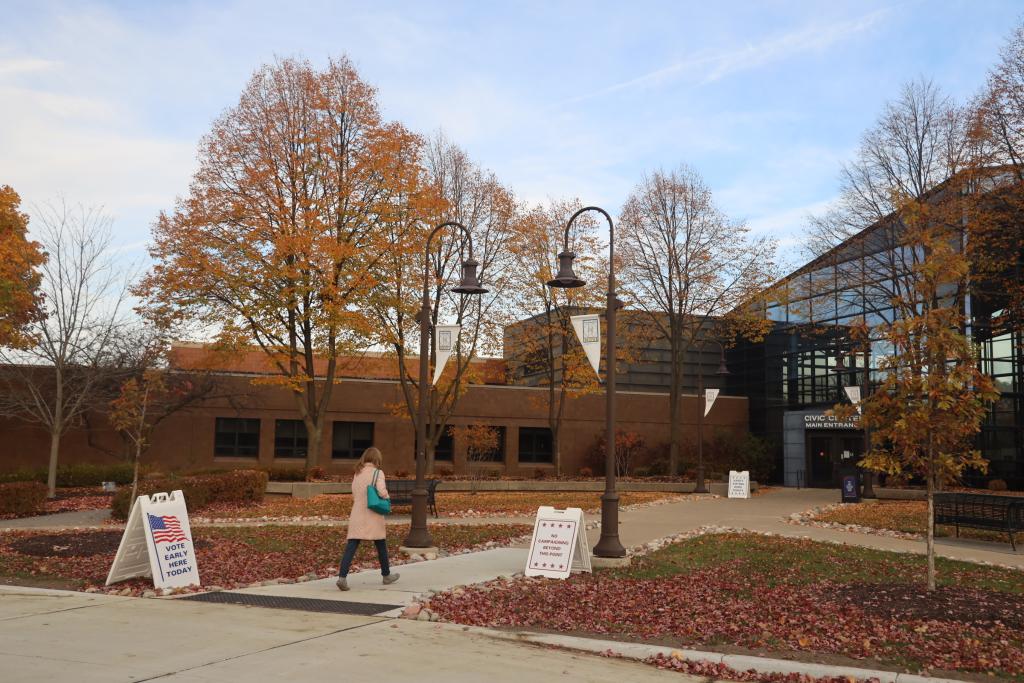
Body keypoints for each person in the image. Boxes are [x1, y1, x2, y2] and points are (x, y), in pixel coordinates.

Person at [336, 447, 399, 590]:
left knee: (352, 545)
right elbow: (381, 491)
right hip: (373, 514)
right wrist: (387, 498)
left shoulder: (357, 473)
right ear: (377, 459)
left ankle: (342, 578)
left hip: (357, 512)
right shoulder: (378, 473)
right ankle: (386, 575)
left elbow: (354, 491)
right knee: (381, 544)